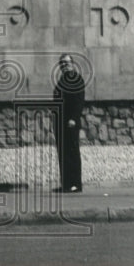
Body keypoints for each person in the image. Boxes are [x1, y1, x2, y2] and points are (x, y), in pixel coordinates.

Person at [53, 53, 85, 193]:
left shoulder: (76, 79)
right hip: (60, 122)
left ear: (72, 63)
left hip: (70, 122)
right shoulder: (63, 80)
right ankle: (66, 184)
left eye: (67, 62)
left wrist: (73, 118)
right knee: (63, 153)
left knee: (72, 152)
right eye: (62, 63)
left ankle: (75, 184)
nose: (65, 65)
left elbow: (78, 100)